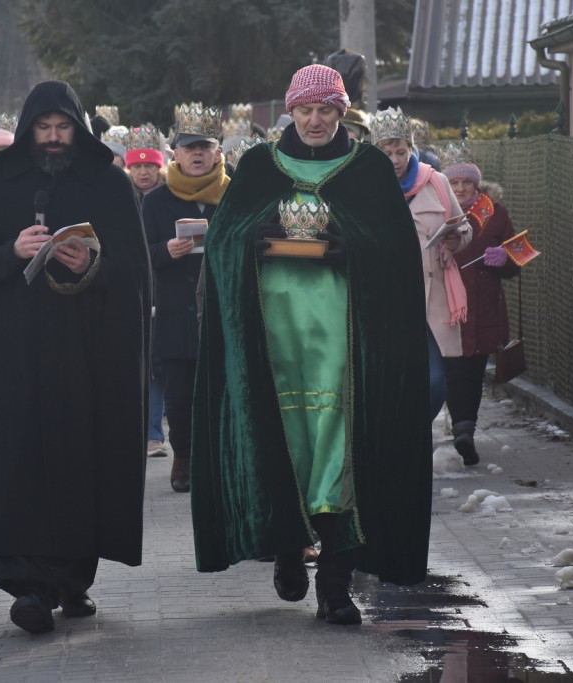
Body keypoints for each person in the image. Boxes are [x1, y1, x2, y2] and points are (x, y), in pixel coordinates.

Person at [191, 65, 432, 626]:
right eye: (305, 110)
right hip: (272, 353)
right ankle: (285, 551)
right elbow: (226, 241)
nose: (316, 120)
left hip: (344, 354)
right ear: (290, 113)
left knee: (339, 458)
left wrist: (350, 245)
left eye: (326, 109)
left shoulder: (369, 168)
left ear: (342, 111)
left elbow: (394, 253)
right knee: (282, 449)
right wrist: (257, 237)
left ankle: (335, 582)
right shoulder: (256, 166)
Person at [0, 80, 151, 634]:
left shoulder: (109, 185)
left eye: (64, 127)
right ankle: (28, 588)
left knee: (77, 464)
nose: (55, 138)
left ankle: (70, 581)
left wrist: (87, 263)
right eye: (44, 128)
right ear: (27, 129)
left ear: (78, 128)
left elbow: (135, 277)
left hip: (84, 359)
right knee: (16, 464)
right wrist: (8, 253)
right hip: (11, 359)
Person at [142, 103, 229, 493]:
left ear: (217, 152)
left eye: (205, 147)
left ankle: (219, 461)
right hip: (176, 311)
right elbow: (139, 253)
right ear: (174, 153)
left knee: (222, 393)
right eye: (189, 147)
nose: (197, 154)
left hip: (221, 310)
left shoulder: (233, 192)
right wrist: (165, 251)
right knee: (179, 399)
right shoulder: (156, 200)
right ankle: (184, 457)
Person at [371, 107, 471, 425]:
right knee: (389, 380)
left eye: (401, 151)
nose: (395, 159)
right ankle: (398, 438)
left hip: (430, 300)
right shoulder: (368, 188)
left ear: (411, 149)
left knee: (434, 380)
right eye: (387, 153)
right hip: (385, 302)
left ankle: (415, 431)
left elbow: (463, 228)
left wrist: (454, 242)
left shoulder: (436, 182)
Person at [441, 142, 520, 465]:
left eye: (466, 183)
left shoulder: (496, 214)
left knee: (474, 368)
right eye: (454, 183)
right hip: (446, 303)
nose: (460, 189)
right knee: (454, 367)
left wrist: (505, 258)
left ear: (477, 184)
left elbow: (516, 262)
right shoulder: (437, 211)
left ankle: (465, 430)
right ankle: (462, 428)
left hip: (485, 305)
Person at [125, 124, 169, 458]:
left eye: (149, 166)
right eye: (137, 166)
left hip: (165, 290)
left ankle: (155, 432)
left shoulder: (169, 199)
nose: (143, 172)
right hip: (133, 290)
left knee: (158, 367)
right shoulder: (121, 197)